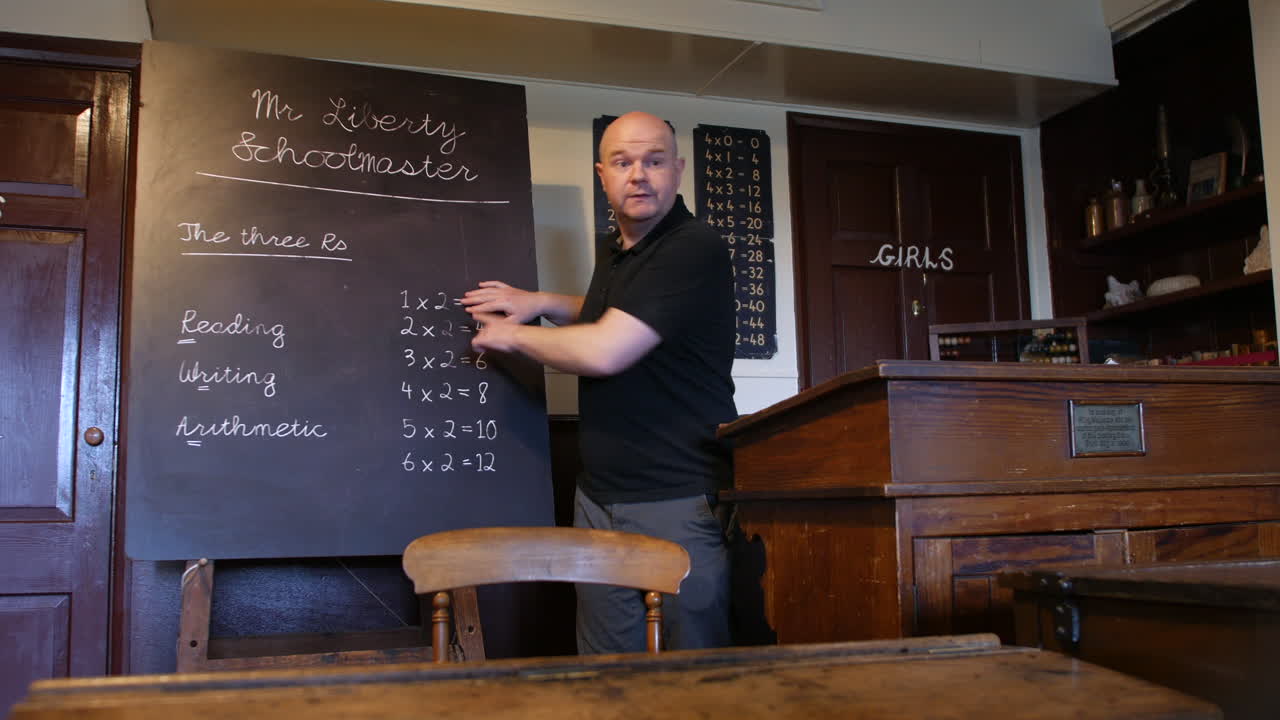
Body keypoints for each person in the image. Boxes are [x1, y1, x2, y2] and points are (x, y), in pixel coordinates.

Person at [461, 111, 737, 654]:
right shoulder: (621, 247)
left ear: (677, 170)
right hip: (600, 498)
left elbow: (605, 348)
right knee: (606, 676)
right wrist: (539, 303)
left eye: (654, 161)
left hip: (676, 498)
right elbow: (606, 313)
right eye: (623, 162)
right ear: (602, 175)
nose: (639, 174)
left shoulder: (690, 246)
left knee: (697, 679)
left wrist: (511, 336)